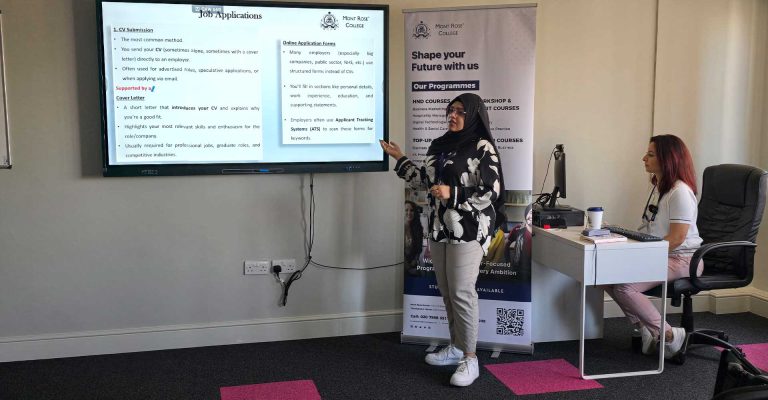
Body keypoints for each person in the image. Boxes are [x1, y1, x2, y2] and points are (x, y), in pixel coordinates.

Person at [380, 93, 504, 387]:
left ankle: (470, 358)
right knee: (448, 292)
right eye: (450, 110)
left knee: (462, 292)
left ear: (473, 114)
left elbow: (493, 191)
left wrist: (454, 193)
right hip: (439, 228)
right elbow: (426, 181)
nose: (453, 115)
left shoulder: (481, 147)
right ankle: (457, 347)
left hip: (470, 230)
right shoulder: (439, 144)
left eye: (460, 111)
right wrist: (400, 158)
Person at [603, 134, 703, 359]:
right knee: (604, 275)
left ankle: (668, 335)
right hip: (661, 254)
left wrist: (641, 256)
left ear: (668, 159)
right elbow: (652, 229)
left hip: (684, 259)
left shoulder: (680, 193)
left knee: (624, 286)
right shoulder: (660, 189)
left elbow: (677, 238)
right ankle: (646, 329)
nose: (643, 158)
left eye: (650, 154)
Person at [404, 200, 424, 276]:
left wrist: (415, 260)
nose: (409, 213)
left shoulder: (418, 228)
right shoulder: (397, 228)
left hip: (414, 266)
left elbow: (419, 248)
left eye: (411, 210)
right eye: (406, 210)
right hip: (400, 267)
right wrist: (408, 268)